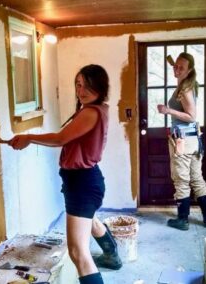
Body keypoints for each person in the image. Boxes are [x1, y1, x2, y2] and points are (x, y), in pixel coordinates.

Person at [7, 64, 122, 284]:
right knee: (92, 221)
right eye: (78, 85)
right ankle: (113, 257)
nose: (81, 91)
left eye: (88, 85)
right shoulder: (98, 108)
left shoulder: (90, 111)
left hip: (83, 183)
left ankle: (110, 258)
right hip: (86, 180)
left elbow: (61, 139)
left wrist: (29, 137)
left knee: (78, 253)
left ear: (100, 86)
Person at [157, 52, 206, 231]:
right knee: (197, 178)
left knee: (181, 180)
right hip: (192, 140)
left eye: (181, 67)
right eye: (175, 65)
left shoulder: (185, 89)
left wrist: (168, 111)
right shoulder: (186, 84)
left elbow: (191, 116)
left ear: (189, 70)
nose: (176, 69)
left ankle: (182, 220)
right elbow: (178, 69)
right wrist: (176, 68)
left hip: (182, 140)